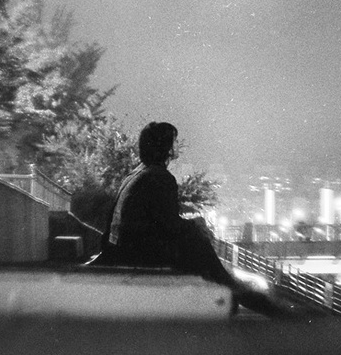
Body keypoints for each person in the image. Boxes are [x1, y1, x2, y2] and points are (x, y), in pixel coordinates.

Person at [98, 121, 238, 288]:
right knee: (196, 239)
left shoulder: (136, 173)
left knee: (194, 235)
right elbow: (170, 225)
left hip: (119, 249)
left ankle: (226, 283)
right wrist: (195, 224)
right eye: (174, 141)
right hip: (135, 254)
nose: (177, 145)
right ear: (165, 147)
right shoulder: (160, 177)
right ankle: (229, 287)